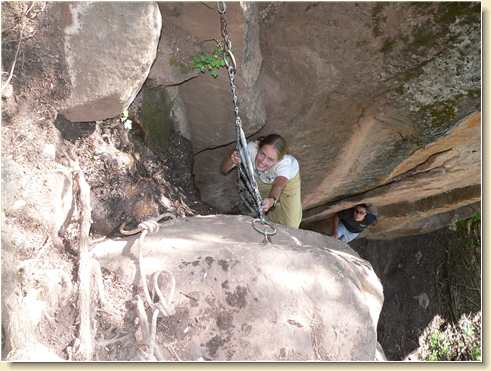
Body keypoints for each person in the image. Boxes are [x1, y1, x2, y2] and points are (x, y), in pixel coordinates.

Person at [222, 134, 302, 229]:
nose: (263, 161)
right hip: (262, 178)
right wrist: (231, 160)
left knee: (291, 225)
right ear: (258, 148)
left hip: (288, 183)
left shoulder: (285, 163)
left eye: (270, 159)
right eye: (262, 154)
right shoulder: (250, 149)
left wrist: (272, 199)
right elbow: (224, 170)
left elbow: (279, 184)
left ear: (279, 160)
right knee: (262, 207)